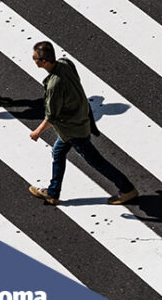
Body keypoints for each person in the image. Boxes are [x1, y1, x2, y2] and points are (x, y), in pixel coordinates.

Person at [28, 41, 138, 205]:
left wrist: (37, 132)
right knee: (58, 153)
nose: (33, 59)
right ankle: (53, 192)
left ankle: (127, 189)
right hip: (79, 120)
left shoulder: (54, 84)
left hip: (73, 129)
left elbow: (51, 116)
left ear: (43, 62)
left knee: (96, 162)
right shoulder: (66, 63)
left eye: (35, 57)